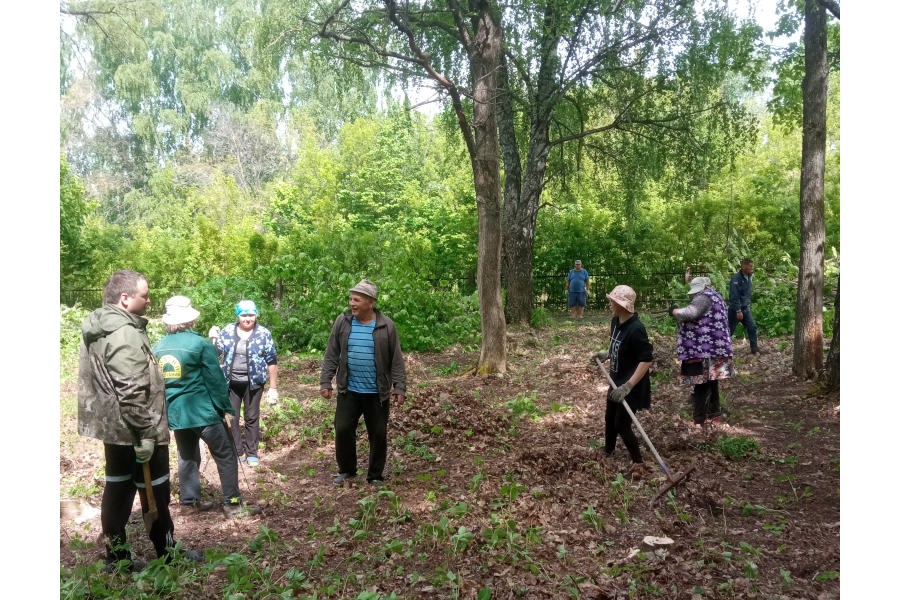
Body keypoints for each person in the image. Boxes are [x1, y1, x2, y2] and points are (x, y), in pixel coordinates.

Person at [77, 270, 201, 572]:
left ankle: (117, 558)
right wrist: (145, 433)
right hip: (137, 427)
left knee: (117, 490)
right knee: (155, 490)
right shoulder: (123, 333)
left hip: (116, 428)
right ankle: (167, 553)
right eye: (144, 295)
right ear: (125, 298)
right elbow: (131, 388)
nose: (149, 300)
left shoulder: (104, 327)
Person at [154, 296, 262, 519]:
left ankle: (189, 502)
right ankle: (232, 504)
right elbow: (215, 380)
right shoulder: (201, 344)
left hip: (176, 413)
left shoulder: (158, 347)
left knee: (187, 455)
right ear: (189, 319)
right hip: (202, 412)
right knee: (227, 454)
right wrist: (225, 408)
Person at [320, 279, 407, 486]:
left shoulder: (386, 326)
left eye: (356, 299)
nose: (352, 303)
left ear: (371, 302)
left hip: (377, 392)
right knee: (342, 429)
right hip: (348, 389)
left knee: (378, 433)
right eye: (351, 299)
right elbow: (332, 353)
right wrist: (325, 381)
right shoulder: (343, 322)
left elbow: (396, 359)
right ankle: (347, 471)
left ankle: (375, 476)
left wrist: (399, 386)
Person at [591, 284, 653, 480]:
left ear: (623, 305)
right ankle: (608, 451)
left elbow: (646, 359)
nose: (610, 303)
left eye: (613, 301)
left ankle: (638, 460)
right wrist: (606, 354)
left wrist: (628, 386)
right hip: (616, 380)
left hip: (632, 385)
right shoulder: (615, 321)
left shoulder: (637, 329)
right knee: (610, 418)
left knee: (622, 424)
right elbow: (616, 345)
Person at [208, 300, 278, 467]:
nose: (248, 318)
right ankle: (238, 451)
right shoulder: (227, 331)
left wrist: (273, 388)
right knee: (232, 418)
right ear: (238, 316)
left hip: (254, 383)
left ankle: (252, 453)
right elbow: (215, 353)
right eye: (244, 315)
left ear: (256, 315)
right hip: (231, 383)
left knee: (252, 417)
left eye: (251, 315)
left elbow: (272, 360)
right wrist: (213, 337)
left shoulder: (263, 333)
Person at [669, 277, 736, 427]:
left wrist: (674, 311)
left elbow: (690, 313)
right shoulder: (717, 296)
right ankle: (714, 415)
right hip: (716, 348)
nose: (693, 296)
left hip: (704, 349)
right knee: (712, 382)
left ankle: (699, 420)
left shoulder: (704, 297)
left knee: (701, 383)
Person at [728, 258, 760, 354]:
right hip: (735, 310)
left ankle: (754, 349)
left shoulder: (749, 276)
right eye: (750, 266)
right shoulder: (736, 278)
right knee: (729, 330)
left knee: (752, 327)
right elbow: (734, 295)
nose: (752, 267)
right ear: (743, 266)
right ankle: (720, 350)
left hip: (746, 309)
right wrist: (738, 310)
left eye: (752, 265)